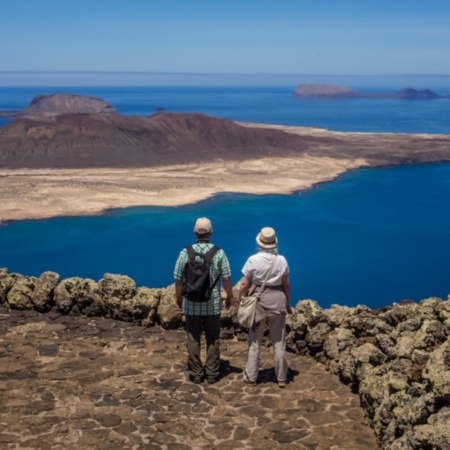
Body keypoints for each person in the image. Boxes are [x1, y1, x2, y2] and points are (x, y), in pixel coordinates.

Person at [174, 217, 234, 384]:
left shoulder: (185, 252)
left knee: (193, 338)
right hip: (212, 303)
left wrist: (178, 296)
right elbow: (227, 278)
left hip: (191, 303)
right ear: (211, 233)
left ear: (194, 232)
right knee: (212, 337)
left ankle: (196, 373)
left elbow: (178, 278)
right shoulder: (219, 253)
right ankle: (212, 372)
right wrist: (230, 296)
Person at [238, 226, 292, 388]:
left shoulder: (253, 260)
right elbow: (286, 284)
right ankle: (281, 378)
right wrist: (287, 303)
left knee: (255, 341)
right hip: (278, 301)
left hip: (258, 303)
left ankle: (251, 376)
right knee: (279, 342)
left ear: (260, 243)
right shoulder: (282, 260)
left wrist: (241, 299)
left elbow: (244, 284)